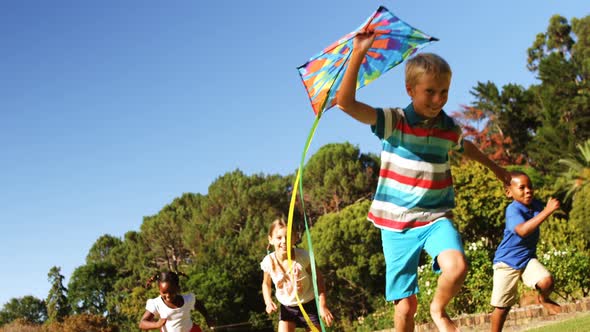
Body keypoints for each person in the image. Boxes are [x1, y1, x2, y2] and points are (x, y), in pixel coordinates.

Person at [336, 30, 510, 332]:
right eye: (430, 91)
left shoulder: (448, 127)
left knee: (457, 268)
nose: (438, 99)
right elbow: (346, 103)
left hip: (434, 218)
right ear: (410, 90)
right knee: (405, 308)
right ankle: (418, 309)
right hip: (396, 225)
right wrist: (359, 53)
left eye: (444, 92)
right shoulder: (394, 122)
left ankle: (438, 309)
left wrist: (497, 169)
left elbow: (464, 145)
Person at [490, 171, 561, 332]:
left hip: (527, 259)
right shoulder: (513, 210)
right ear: (509, 192)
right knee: (502, 307)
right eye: (522, 188)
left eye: (530, 187)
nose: (528, 190)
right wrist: (547, 211)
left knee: (546, 281)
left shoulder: (535, 205)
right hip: (506, 262)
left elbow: (545, 209)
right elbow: (522, 230)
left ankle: (543, 299)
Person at [261, 218, 334, 331]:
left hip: (309, 305)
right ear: (271, 240)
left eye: (289, 237)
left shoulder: (304, 257)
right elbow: (266, 284)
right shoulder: (268, 262)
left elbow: (318, 279)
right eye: (279, 238)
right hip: (287, 308)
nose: (284, 241)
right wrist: (268, 301)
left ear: (295, 238)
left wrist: (322, 305)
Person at [139, 271, 213, 332]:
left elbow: (201, 308)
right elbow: (142, 323)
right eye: (164, 292)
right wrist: (157, 324)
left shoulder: (188, 299)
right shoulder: (157, 303)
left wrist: (208, 318)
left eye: (171, 292)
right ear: (159, 290)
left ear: (178, 288)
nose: (168, 295)